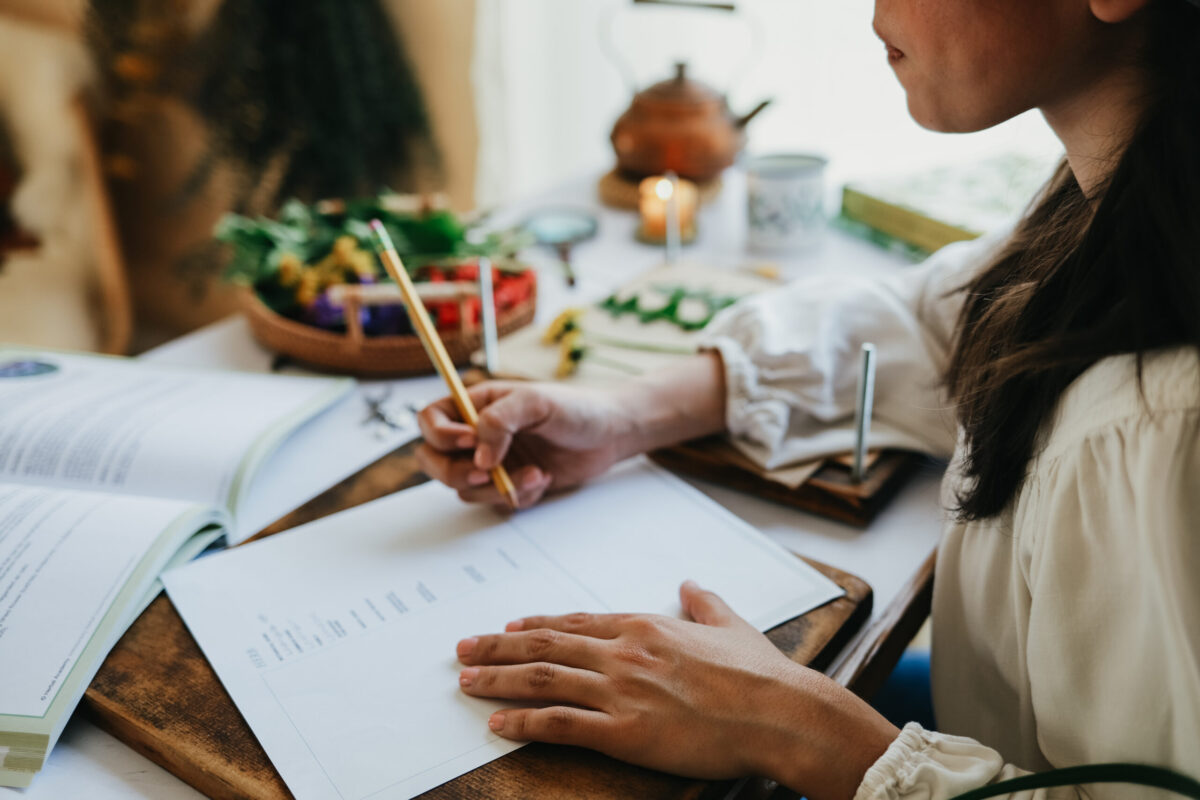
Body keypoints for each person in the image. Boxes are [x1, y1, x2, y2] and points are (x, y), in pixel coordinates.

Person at [415, 0, 1200, 797]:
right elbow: (936, 319)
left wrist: (789, 722)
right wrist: (628, 416)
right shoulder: (1120, 192)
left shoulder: (1160, 420)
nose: (873, 11)